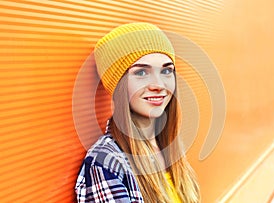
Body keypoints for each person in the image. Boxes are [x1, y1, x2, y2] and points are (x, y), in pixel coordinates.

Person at [75, 22, 200, 203]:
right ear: (119, 85)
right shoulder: (106, 164)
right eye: (141, 73)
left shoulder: (168, 146)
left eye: (166, 70)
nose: (158, 85)